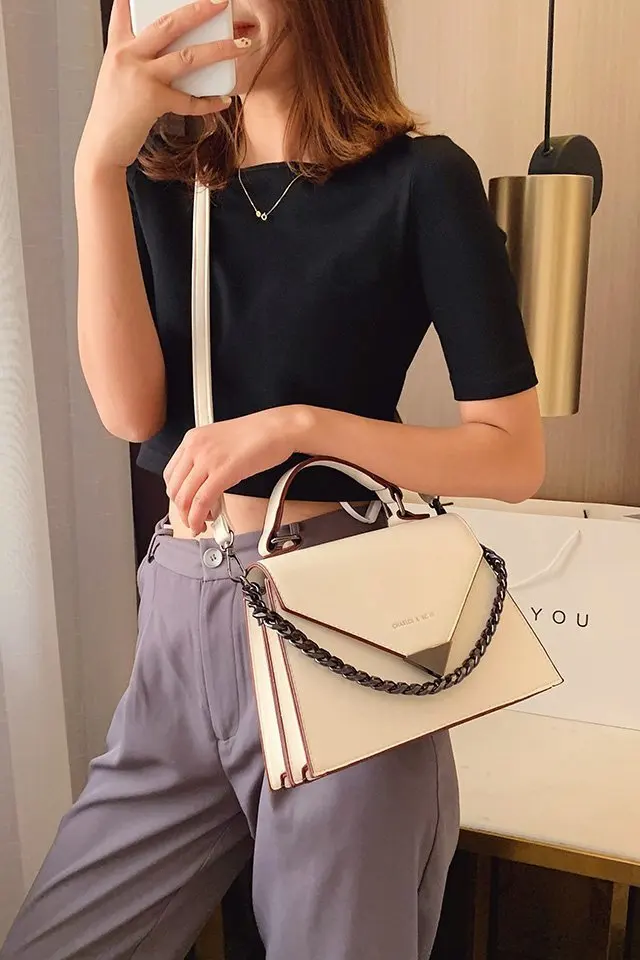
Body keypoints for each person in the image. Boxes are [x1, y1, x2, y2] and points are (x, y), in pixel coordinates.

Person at [0, 0, 545, 957]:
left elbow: (511, 454)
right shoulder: (161, 184)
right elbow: (130, 412)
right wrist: (95, 164)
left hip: (339, 622)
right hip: (181, 613)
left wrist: (303, 427)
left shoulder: (422, 180)